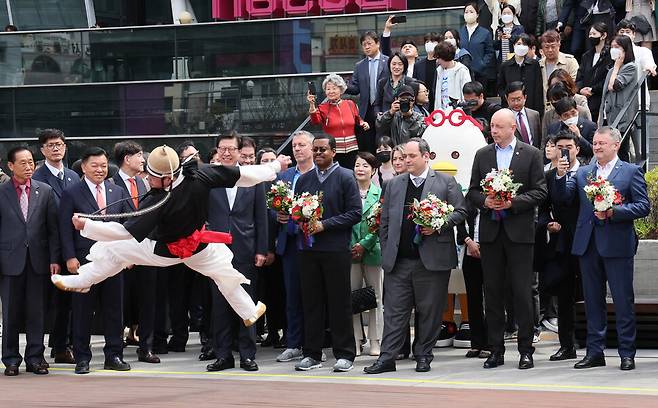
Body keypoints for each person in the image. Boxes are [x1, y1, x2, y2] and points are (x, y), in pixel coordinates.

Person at [52, 146, 289, 338]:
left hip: (165, 250)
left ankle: (84, 280)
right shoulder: (201, 173)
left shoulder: (160, 200)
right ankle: (249, 310)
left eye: (151, 176)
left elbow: (124, 232)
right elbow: (245, 176)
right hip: (202, 247)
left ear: (167, 177)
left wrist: (88, 226)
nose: (147, 179)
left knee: (115, 249)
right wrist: (276, 166)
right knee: (224, 272)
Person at [363, 138, 467, 374]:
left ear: (426, 156)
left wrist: (440, 223)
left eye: (411, 156)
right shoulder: (394, 184)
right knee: (394, 311)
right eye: (404, 157)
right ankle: (387, 358)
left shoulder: (445, 182)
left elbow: (461, 211)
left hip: (431, 261)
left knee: (429, 311)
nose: (406, 161)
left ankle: (423, 355)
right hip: (398, 260)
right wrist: (387, 246)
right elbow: (385, 221)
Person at [554, 126, 650, 371]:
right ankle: (595, 352)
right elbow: (565, 198)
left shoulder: (630, 172)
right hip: (588, 245)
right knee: (593, 301)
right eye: (594, 143)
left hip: (618, 245)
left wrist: (613, 212)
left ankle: (626, 353)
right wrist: (560, 176)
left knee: (622, 300)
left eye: (601, 144)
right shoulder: (585, 172)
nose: (596, 147)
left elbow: (642, 207)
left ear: (616, 145)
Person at [466, 109, 547, 370]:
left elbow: (540, 191)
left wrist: (513, 203)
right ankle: (495, 349)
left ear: (513, 127)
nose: (494, 130)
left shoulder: (531, 154)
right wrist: (486, 201)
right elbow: (473, 191)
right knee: (493, 292)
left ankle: (525, 349)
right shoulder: (483, 154)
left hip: (519, 232)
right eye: (492, 126)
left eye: (499, 126)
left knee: (522, 292)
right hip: (491, 233)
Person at [59, 147, 132, 375]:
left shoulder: (117, 191)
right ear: (83, 167)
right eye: (94, 165)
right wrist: (69, 257)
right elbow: (64, 228)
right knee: (82, 310)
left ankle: (114, 355)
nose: (100, 170)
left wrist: (130, 254)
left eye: (103, 165)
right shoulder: (72, 192)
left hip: (114, 260)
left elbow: (128, 225)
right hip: (84, 261)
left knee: (114, 309)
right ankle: (82, 357)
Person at [293, 134, 361, 372]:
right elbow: (297, 210)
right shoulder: (304, 180)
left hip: (335, 249)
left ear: (334, 151)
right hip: (308, 250)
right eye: (316, 149)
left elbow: (355, 213)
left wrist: (325, 224)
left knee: (339, 302)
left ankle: (345, 353)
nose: (319, 153)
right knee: (311, 302)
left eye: (323, 149)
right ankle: (312, 352)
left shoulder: (345, 177)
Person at [206, 133, 268, 372]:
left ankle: (247, 354)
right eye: (223, 149)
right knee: (220, 304)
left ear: (239, 151)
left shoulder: (251, 178)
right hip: (215, 251)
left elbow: (260, 217)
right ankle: (223, 355)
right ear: (218, 151)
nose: (227, 153)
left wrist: (262, 249)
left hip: (246, 249)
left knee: (247, 303)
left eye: (231, 149)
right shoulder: (208, 178)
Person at [0, 147, 59, 376]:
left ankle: (35, 358)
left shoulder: (44, 191)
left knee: (37, 313)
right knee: (11, 313)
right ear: (10, 166)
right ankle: (11, 360)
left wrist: (54, 258)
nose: (28, 166)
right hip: (9, 262)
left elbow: (52, 229)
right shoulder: (2, 192)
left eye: (31, 162)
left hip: (38, 261)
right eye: (22, 163)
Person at [31, 129, 77, 365]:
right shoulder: (37, 178)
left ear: (65, 147)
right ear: (42, 150)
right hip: (49, 250)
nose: (56, 148)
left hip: (73, 248)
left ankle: (62, 345)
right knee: (49, 303)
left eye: (59, 144)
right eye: (50, 145)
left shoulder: (73, 176)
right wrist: (53, 255)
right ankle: (48, 348)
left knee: (68, 301)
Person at [112, 141, 160, 364]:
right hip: (121, 254)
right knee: (118, 301)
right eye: (139, 155)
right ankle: (116, 348)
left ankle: (146, 347)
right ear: (126, 159)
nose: (143, 159)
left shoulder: (146, 184)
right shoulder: (111, 185)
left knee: (149, 301)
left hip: (146, 252)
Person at [274, 131, 315, 363]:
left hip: (314, 242)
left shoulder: (320, 174)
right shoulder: (285, 175)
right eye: (295, 145)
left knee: (313, 295)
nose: (297, 149)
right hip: (289, 242)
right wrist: (276, 214)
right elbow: (272, 204)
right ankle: (293, 342)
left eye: (302, 145)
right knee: (292, 295)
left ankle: (313, 343)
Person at [544, 131, 582, 362]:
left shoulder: (589, 173)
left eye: (569, 146)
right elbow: (544, 207)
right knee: (564, 296)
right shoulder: (550, 176)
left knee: (590, 292)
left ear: (577, 148)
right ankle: (567, 345)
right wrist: (548, 223)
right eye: (560, 147)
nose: (564, 151)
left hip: (586, 241)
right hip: (561, 244)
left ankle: (594, 343)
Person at [351, 152, 384, 357]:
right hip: (350, 251)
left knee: (376, 297)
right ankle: (354, 340)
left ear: (373, 170)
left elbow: (379, 224)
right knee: (352, 297)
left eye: (365, 165)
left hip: (373, 251)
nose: (360, 169)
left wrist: (364, 244)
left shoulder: (380, 194)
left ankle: (375, 340)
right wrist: (354, 245)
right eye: (357, 165)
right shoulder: (348, 192)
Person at [309, 73, 369, 169]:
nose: (331, 91)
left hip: (352, 149)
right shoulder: (322, 108)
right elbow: (316, 121)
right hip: (333, 151)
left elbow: (357, 119)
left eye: (334, 88)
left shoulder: (350, 104)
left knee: (351, 176)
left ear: (341, 90)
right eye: (328, 89)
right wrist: (312, 105)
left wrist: (363, 123)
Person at [345, 31, 389, 154]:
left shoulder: (388, 61)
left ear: (378, 44)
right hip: (367, 110)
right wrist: (343, 86)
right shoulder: (359, 66)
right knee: (369, 145)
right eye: (364, 45)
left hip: (384, 108)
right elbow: (355, 88)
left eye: (369, 43)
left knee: (384, 142)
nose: (367, 47)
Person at [599, 35, 638, 163]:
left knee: (621, 150)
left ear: (625, 50)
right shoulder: (611, 70)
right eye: (612, 47)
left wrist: (616, 67)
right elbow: (605, 95)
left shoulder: (631, 67)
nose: (613, 50)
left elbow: (613, 86)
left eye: (617, 47)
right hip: (608, 115)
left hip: (621, 118)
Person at [498, 34, 545, 116]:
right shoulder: (505, 66)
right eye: (519, 44)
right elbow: (500, 87)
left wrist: (539, 111)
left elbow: (538, 88)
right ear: (514, 45)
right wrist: (508, 101)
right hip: (510, 109)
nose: (521, 46)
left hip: (530, 108)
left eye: (524, 44)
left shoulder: (534, 64)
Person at [577, 22, 614, 123]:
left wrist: (593, 89)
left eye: (594, 34)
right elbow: (580, 76)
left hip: (602, 100)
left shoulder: (610, 55)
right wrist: (580, 90)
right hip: (585, 100)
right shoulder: (586, 56)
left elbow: (608, 77)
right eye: (590, 34)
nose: (591, 37)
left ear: (603, 35)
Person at [460, 2, 496, 90]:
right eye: (466, 12)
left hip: (480, 73)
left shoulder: (485, 32)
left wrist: (482, 64)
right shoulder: (460, 32)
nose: (468, 14)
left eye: (471, 12)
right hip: (463, 72)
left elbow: (490, 52)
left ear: (477, 15)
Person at [546, 97, 595, 161]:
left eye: (573, 113)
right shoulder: (554, 128)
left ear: (577, 110)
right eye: (566, 115)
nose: (571, 117)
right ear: (560, 117)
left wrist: (579, 137)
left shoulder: (590, 126)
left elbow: (593, 151)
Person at [538, 30, 579, 107]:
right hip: (545, 108)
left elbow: (574, 84)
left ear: (559, 45)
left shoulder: (570, 61)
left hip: (566, 106)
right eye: (546, 47)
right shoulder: (539, 64)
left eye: (553, 46)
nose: (550, 50)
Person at [434, 41, 472, 110]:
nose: (437, 61)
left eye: (438, 58)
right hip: (442, 113)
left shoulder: (462, 70)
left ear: (444, 57)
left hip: (458, 113)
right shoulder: (439, 71)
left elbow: (466, 93)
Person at [506, 81, 542, 148]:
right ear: (507, 99)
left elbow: (539, 139)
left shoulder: (534, 115)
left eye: (518, 99)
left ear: (525, 97)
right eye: (512, 100)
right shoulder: (504, 117)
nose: (516, 103)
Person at [413, 32, 441, 109]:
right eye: (427, 42)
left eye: (432, 41)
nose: (429, 44)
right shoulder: (418, 65)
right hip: (424, 104)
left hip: (439, 102)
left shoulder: (442, 63)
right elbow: (415, 85)